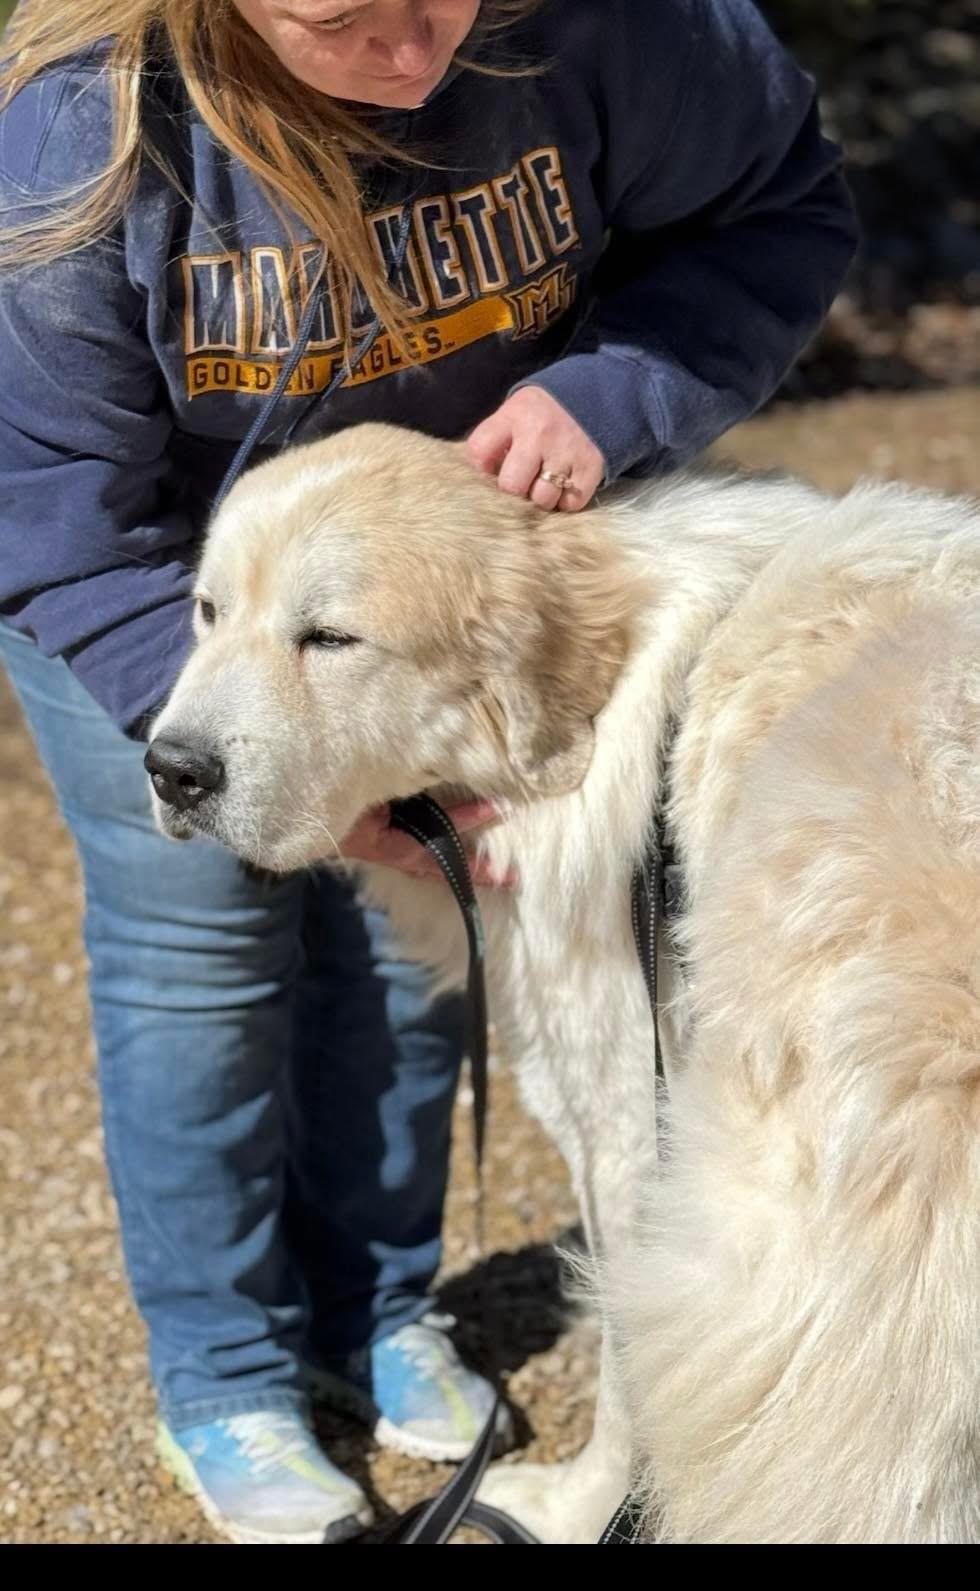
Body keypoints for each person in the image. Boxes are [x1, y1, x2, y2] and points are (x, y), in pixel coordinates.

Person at [0, 0, 857, 1546]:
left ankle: (385, 1310)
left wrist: (611, 396)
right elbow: (50, 503)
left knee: (423, 970)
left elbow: (782, 202)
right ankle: (230, 1374)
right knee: (200, 964)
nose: (409, 51)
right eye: (340, 16)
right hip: (175, 601)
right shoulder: (82, 134)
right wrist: (189, 699)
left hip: (459, 611)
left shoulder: (608, 22)